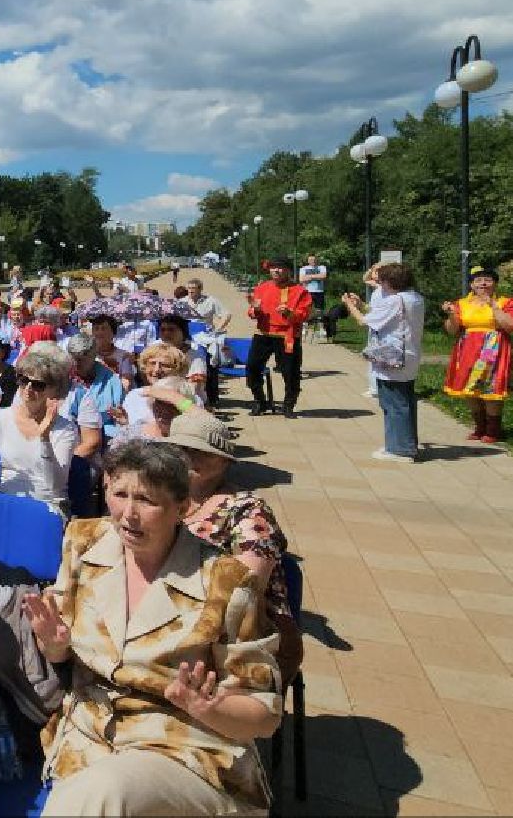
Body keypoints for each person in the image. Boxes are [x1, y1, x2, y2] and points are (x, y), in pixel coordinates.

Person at [22, 440, 281, 815]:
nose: (128, 514)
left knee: (102, 791)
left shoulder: (225, 581)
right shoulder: (83, 542)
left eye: (146, 500)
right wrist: (55, 646)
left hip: (183, 748)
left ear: (182, 508)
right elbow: (61, 655)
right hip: (88, 740)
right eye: (119, 494)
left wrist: (208, 707)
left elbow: (265, 716)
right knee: (93, 792)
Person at [166, 409, 303, 682]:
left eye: (201, 451)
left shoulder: (248, 510)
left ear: (224, 461)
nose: (188, 457)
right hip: (173, 615)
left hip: (241, 635)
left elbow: (244, 589)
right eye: (179, 449)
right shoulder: (164, 497)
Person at [0, 341, 81, 514]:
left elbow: (56, 485)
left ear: (53, 390)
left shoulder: (65, 429)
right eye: (24, 380)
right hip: (6, 500)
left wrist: (44, 439)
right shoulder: (1, 417)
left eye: (38, 385)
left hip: (46, 505)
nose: (28, 388)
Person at [343, 262, 428, 462]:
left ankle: (401, 450)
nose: (380, 285)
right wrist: (361, 305)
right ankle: (406, 443)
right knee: (406, 401)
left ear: (390, 282)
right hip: (408, 355)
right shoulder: (414, 297)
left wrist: (349, 305)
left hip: (393, 358)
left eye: (382, 281)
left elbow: (364, 321)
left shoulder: (395, 300)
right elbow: (380, 315)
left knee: (394, 403)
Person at [439, 266, 513, 444]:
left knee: (491, 388)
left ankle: (493, 430)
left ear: (495, 284)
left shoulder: (505, 302)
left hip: (493, 349)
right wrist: (451, 315)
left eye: (488, 280)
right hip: (468, 350)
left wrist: (493, 306)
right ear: (472, 285)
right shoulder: (462, 304)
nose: (483, 284)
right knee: (470, 390)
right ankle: (480, 427)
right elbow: (452, 330)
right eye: (478, 280)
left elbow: (510, 325)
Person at [244, 258, 311, 417]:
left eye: (280, 268)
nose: (276, 270)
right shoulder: (262, 288)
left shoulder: (300, 291)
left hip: (287, 335)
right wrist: (255, 309)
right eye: (273, 267)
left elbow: (304, 314)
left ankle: (288, 405)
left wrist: (289, 313)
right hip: (263, 334)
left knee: (290, 372)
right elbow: (252, 312)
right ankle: (260, 401)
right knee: (252, 367)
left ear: (288, 270)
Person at [298, 254, 331, 339]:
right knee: (306, 310)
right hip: (307, 292)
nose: (312, 261)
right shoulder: (303, 268)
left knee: (320, 311)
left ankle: (321, 328)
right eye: (310, 260)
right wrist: (316, 276)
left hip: (319, 292)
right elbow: (301, 279)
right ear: (308, 261)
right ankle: (304, 327)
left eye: (314, 259)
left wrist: (309, 276)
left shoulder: (322, 267)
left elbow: (323, 276)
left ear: (317, 260)